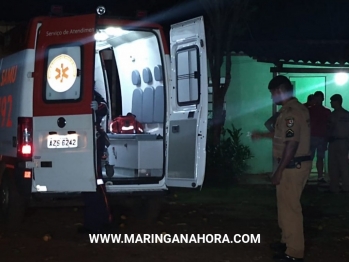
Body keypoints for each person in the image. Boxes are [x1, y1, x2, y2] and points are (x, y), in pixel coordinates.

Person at [251, 75, 311, 262]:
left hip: (292, 166)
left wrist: (278, 171)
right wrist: (262, 135)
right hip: (293, 164)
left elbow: (291, 144)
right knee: (284, 206)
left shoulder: (291, 114)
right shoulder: (294, 110)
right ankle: (287, 241)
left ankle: (294, 252)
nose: (271, 98)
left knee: (291, 208)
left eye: (272, 94)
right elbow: (283, 135)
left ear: (279, 91)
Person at [78, 90, 112, 234]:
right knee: (88, 183)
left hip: (95, 140)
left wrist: (97, 106)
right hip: (84, 140)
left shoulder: (91, 92)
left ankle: (105, 220)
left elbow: (104, 106)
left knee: (97, 181)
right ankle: (91, 223)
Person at [327, 94, 349, 193]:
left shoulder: (333, 114)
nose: (331, 103)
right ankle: (346, 186)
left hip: (335, 141)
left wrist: (327, 137)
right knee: (344, 165)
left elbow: (330, 128)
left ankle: (334, 187)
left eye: (332, 101)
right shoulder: (347, 114)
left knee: (333, 165)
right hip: (344, 142)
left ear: (337, 102)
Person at [308, 91, 331, 184]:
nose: (317, 100)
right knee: (310, 158)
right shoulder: (309, 110)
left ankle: (320, 176)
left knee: (319, 158)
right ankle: (309, 176)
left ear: (322, 99)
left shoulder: (326, 111)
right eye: (316, 98)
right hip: (313, 137)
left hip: (320, 137)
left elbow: (329, 125)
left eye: (318, 98)